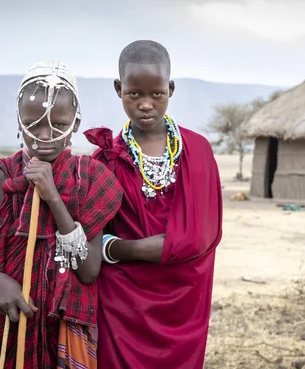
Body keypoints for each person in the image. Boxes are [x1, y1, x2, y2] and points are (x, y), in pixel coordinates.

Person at [0, 61, 122, 369]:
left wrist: (52, 195)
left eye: (58, 124)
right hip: (6, 325)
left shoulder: (91, 178)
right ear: (19, 123)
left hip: (65, 330)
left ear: (76, 121)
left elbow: (88, 271)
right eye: (33, 124)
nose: (45, 135)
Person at [84, 40, 223, 369]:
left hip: (185, 299)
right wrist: (128, 251)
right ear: (119, 89)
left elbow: (203, 234)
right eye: (134, 94)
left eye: (156, 94)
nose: (146, 104)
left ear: (170, 89)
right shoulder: (104, 161)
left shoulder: (198, 151)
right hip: (122, 304)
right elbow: (92, 238)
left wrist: (133, 247)